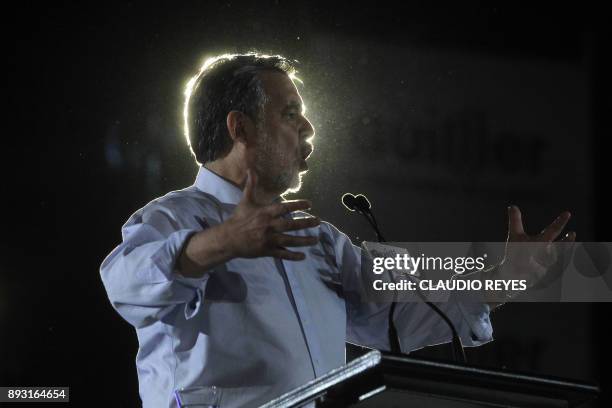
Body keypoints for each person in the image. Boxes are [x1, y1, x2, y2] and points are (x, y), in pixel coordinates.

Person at [100, 53, 574, 408]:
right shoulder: (172, 218)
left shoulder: (319, 239)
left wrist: (501, 280)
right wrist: (225, 241)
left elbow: (400, 316)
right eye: (289, 114)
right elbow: (125, 284)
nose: (307, 127)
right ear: (239, 129)